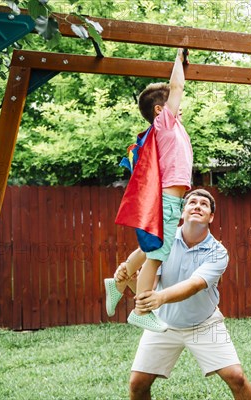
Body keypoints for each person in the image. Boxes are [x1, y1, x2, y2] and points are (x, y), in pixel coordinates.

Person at [114, 189, 251, 400]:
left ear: (211, 217)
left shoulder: (217, 252)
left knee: (237, 378)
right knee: (137, 383)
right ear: (183, 212)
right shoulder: (162, 241)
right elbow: (147, 289)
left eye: (204, 204)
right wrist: (128, 279)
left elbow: (194, 285)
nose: (197, 206)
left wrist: (160, 298)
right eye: (192, 202)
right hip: (164, 323)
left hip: (204, 324)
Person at [104, 48, 193, 332]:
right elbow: (176, 85)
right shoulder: (164, 124)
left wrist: (182, 69)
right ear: (159, 110)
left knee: (149, 248)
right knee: (156, 256)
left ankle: (120, 279)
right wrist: (178, 60)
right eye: (172, 103)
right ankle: (141, 309)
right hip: (167, 200)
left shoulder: (172, 127)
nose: (179, 105)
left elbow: (177, 87)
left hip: (170, 202)